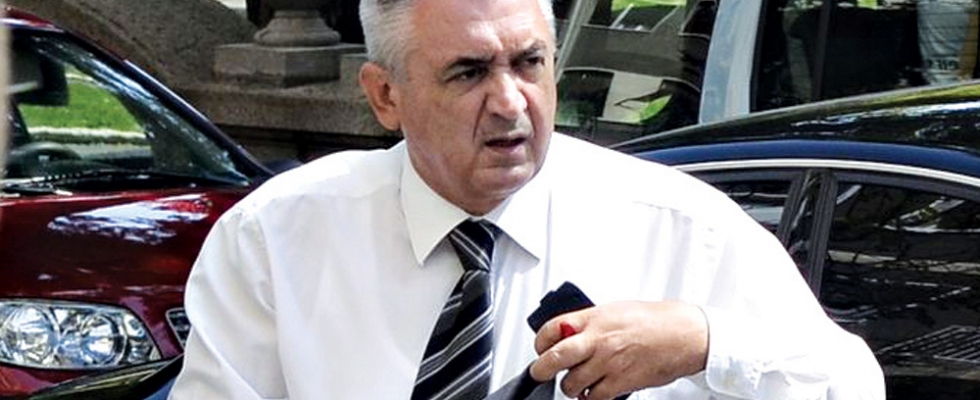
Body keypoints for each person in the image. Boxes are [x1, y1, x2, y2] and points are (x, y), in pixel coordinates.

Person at [168, 0, 885, 398]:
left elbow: (852, 387)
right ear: (386, 96)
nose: (510, 102)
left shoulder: (681, 230)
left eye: (529, 63)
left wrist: (705, 342)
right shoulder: (276, 238)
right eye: (469, 72)